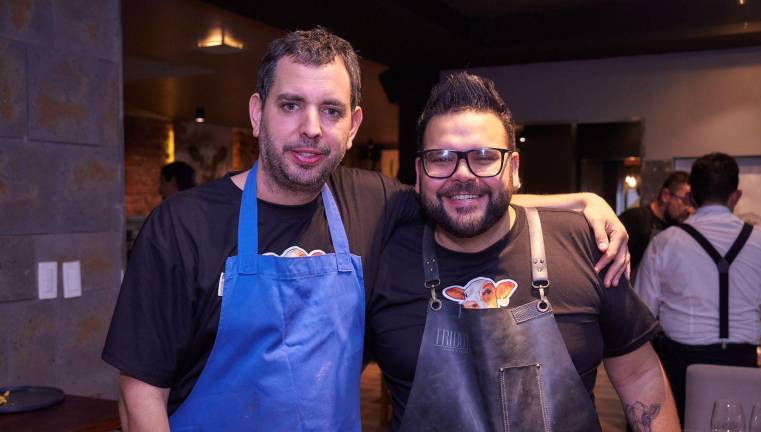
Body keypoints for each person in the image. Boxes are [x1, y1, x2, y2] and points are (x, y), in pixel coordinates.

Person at [104, 28, 630, 431]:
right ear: (258, 113)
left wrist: (581, 202)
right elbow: (139, 392)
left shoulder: (369, 200)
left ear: (352, 126)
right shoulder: (182, 226)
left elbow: (462, 190)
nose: (311, 127)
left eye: (330, 110)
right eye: (291, 105)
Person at [368, 72, 680, 432]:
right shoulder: (386, 257)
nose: (463, 174)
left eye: (485, 157)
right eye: (441, 157)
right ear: (419, 174)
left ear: (513, 170)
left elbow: (641, 375)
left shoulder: (582, 244)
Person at [635, 152, 761, 422]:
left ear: (692, 196)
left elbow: (641, 315)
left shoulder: (665, 243)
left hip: (681, 365)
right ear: (736, 195)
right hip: (742, 362)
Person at [619, 171, 692, 277]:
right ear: (666, 195)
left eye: (691, 203)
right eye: (684, 201)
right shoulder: (636, 218)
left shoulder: (676, 226)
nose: (687, 208)